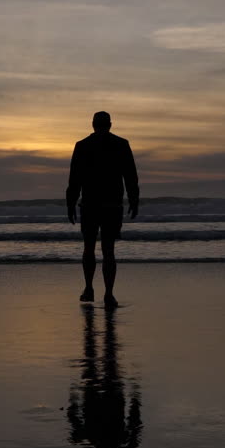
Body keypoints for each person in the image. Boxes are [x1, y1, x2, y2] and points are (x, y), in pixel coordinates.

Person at [66, 111, 139, 306]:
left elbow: (74, 179)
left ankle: (89, 288)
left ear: (92, 124)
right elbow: (131, 176)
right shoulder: (121, 145)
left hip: (90, 205)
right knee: (108, 250)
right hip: (111, 205)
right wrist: (134, 199)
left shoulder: (82, 146)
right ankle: (108, 294)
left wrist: (70, 203)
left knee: (89, 248)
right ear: (110, 125)